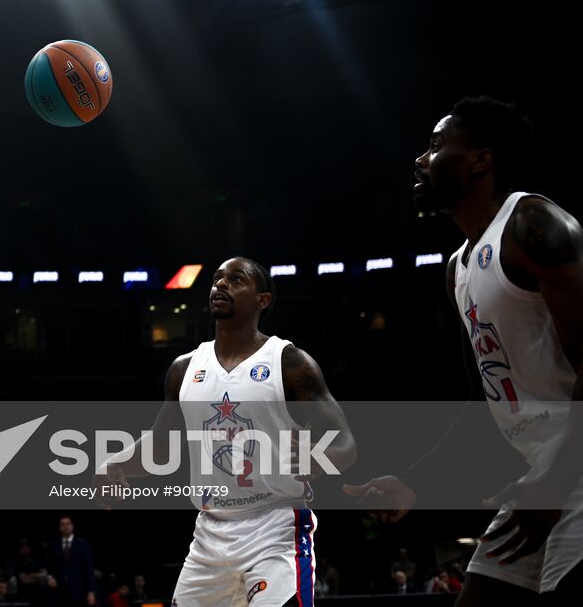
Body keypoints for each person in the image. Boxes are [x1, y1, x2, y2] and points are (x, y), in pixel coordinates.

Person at [345, 97, 583, 603]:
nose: (420, 159)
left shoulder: (534, 225)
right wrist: (415, 483)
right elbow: (486, 397)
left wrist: (557, 482)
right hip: (547, 474)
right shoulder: (459, 267)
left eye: (435, 145)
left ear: (481, 159)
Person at [104, 257, 356, 607]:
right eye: (217, 279)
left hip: (275, 526)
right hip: (210, 532)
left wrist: (321, 458)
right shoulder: (184, 369)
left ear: (262, 300)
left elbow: (346, 443)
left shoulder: (289, 362)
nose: (221, 284)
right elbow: (160, 447)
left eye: (236, 279)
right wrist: (117, 462)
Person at [44, 516, 95, 606]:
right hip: (58, 590)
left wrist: (91, 591)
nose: (66, 526)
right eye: (62, 524)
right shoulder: (54, 545)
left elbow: (89, 569)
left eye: (68, 524)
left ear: (72, 526)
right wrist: (49, 577)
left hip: (79, 590)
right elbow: (50, 567)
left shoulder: (82, 544)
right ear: (59, 528)